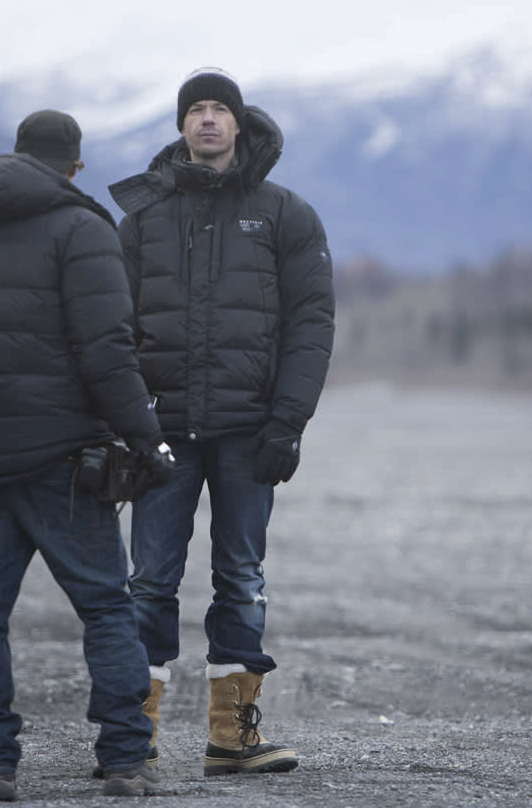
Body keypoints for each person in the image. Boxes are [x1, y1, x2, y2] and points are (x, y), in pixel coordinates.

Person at [0, 109, 175, 800]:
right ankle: (124, 758)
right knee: (106, 608)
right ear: (74, 167)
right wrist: (147, 437)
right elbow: (107, 350)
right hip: (64, 460)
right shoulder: (83, 229)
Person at [108, 67, 335, 776]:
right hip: (162, 432)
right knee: (149, 582)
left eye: (219, 109)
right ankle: (131, 740)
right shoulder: (143, 217)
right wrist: (125, 421)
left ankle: (232, 739)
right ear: (181, 125)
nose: (207, 119)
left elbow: (311, 324)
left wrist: (288, 422)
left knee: (241, 576)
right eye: (195, 109)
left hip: (248, 432)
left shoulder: (283, 213)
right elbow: (109, 326)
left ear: (240, 124)